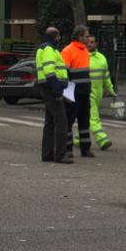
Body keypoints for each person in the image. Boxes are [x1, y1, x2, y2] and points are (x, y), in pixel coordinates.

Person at [35, 26, 71, 164]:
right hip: (52, 89)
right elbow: (50, 71)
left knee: (49, 123)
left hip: (47, 88)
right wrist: (57, 90)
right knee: (61, 121)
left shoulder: (43, 48)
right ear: (56, 37)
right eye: (59, 37)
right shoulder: (49, 49)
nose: (60, 40)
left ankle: (47, 154)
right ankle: (60, 155)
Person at [61, 24, 94, 158]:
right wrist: (66, 94)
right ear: (80, 36)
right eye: (86, 36)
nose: (88, 38)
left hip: (85, 92)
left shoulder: (85, 51)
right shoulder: (68, 51)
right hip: (73, 92)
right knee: (69, 121)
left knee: (84, 121)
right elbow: (64, 74)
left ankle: (85, 149)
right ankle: (67, 149)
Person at [86, 35, 116, 150]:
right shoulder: (83, 57)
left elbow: (106, 77)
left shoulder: (101, 58)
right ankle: (102, 139)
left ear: (96, 44)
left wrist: (111, 90)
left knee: (87, 117)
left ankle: (79, 139)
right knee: (94, 117)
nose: (90, 44)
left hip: (98, 93)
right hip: (87, 92)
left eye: (92, 42)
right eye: (88, 42)